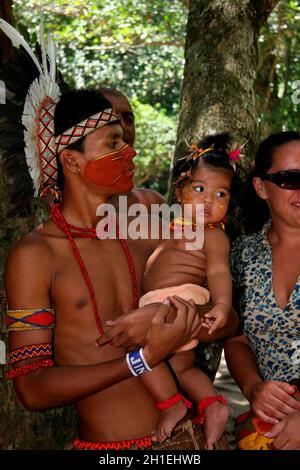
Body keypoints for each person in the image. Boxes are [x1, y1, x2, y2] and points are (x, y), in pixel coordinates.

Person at [127, 133, 240, 448]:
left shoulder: (213, 235)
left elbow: (218, 272)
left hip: (178, 302)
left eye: (221, 195)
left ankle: (171, 404)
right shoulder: (168, 225)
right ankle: (212, 405)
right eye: (200, 189)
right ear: (180, 189)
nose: (209, 201)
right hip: (165, 302)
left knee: (134, 349)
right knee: (182, 367)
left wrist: (220, 305)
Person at [224, 131, 300, 450]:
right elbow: (238, 339)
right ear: (260, 187)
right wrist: (254, 388)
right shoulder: (241, 254)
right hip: (268, 429)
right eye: (290, 178)